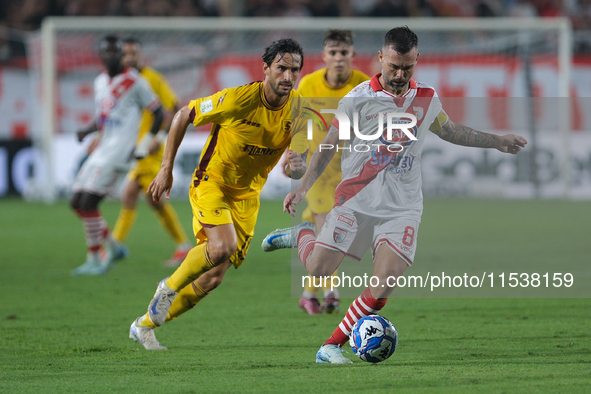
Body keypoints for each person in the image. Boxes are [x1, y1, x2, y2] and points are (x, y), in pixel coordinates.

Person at [262, 26, 528, 364]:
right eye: (393, 67)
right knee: (317, 269)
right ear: (380, 59)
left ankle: (331, 346)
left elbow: (450, 130)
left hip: (402, 208)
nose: (400, 74)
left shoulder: (427, 98)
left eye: (407, 67)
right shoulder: (357, 99)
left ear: (417, 60)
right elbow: (329, 145)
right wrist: (302, 188)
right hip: (356, 203)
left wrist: (497, 140)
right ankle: (302, 233)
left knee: (384, 283)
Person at [128, 38, 308, 350]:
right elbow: (184, 114)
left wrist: (296, 165)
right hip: (211, 182)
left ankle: (144, 324)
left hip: (246, 198)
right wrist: (166, 168)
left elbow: (293, 168)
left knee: (212, 278)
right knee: (223, 246)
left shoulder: (298, 111)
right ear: (266, 68)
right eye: (281, 68)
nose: (288, 77)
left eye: (294, 70)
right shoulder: (238, 100)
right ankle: (167, 287)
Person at [269, 29, 369, 315]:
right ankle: (331, 292)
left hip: (351, 172)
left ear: (352, 55)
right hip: (319, 172)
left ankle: (307, 293)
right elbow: (295, 122)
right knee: (331, 230)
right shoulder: (309, 86)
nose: (338, 58)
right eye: (333, 53)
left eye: (344, 53)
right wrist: (290, 153)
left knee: (334, 231)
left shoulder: (364, 86)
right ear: (324, 56)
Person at [71, 35, 163, 275]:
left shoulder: (135, 81)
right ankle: (113, 247)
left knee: (88, 203)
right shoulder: (100, 81)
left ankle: (94, 258)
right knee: (76, 203)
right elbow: (105, 117)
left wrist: (143, 145)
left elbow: (159, 112)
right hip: (102, 149)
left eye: (116, 52)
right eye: (107, 52)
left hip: (119, 153)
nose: (112, 56)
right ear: (101, 55)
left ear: (122, 54)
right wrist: (88, 131)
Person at [110, 37, 192, 267]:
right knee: (133, 195)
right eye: (125, 54)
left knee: (150, 198)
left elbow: (175, 107)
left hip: (150, 149)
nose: (129, 58)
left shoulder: (152, 78)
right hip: (135, 148)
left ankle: (183, 246)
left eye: (133, 53)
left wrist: (159, 137)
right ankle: (115, 247)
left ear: (139, 55)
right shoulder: (121, 80)